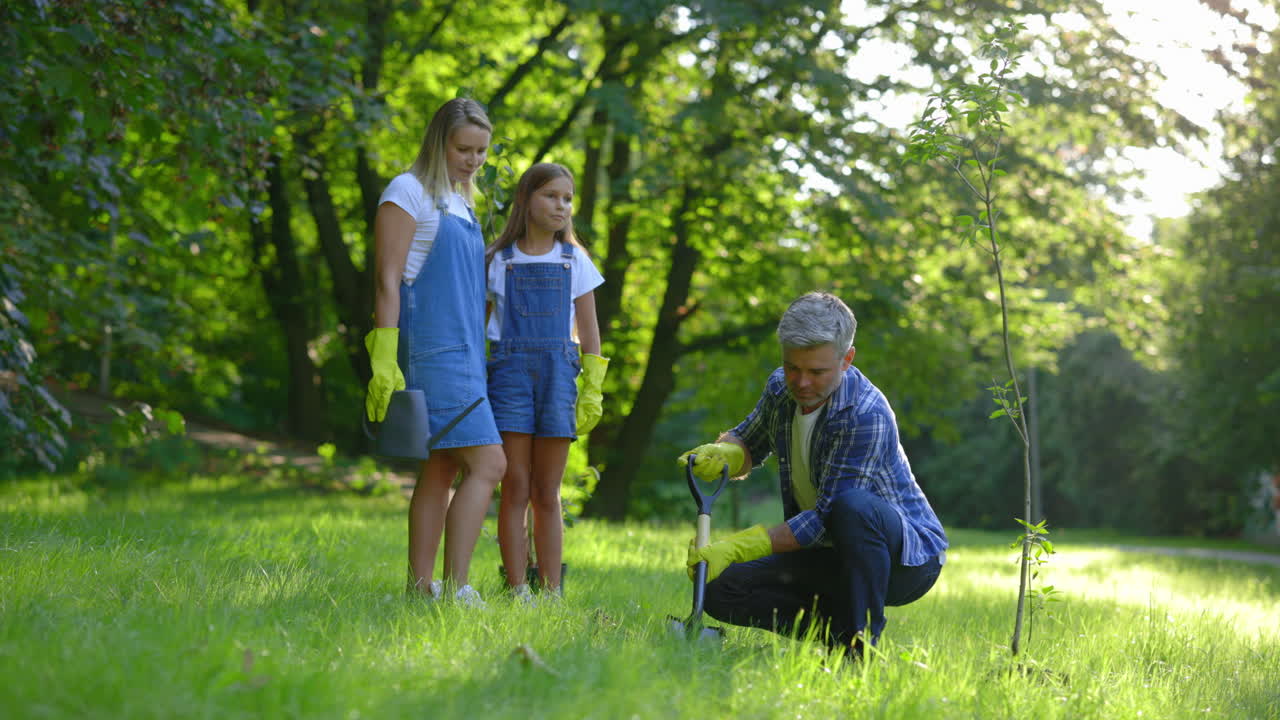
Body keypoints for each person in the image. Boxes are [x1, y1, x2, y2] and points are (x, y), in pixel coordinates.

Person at [678, 291, 947, 658]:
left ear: (846, 359)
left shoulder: (865, 413)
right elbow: (749, 442)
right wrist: (725, 452)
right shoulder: (780, 387)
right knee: (718, 587)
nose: (801, 382)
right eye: (793, 367)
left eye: (816, 371)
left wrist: (739, 546)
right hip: (827, 554)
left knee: (851, 507)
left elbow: (826, 518)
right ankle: (837, 638)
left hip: (904, 561)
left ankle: (859, 650)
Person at [366, 97, 506, 608]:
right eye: (462, 148)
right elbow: (387, 280)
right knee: (490, 465)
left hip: (467, 355)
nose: (472, 160)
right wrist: (384, 359)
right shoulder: (408, 192)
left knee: (443, 469)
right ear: (438, 142)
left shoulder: (460, 201)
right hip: (431, 352)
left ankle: (421, 588)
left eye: (481, 152)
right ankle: (457, 587)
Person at [484, 162, 608, 602]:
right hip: (509, 379)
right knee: (514, 485)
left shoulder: (575, 260)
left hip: (559, 380)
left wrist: (592, 388)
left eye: (568, 198)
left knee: (546, 491)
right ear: (525, 200)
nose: (562, 206)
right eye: (551, 196)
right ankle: (517, 588)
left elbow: (590, 333)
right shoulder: (499, 261)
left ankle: (551, 590)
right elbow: (479, 328)